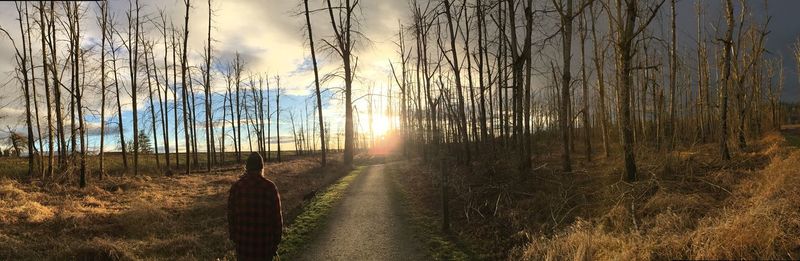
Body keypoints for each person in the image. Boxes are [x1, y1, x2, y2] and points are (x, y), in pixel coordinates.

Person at [227, 152, 283, 260]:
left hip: (243, 248)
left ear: (247, 168)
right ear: (262, 167)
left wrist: (235, 238)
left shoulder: (236, 187)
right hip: (265, 248)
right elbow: (277, 219)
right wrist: (275, 242)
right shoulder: (270, 187)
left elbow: (231, 217)